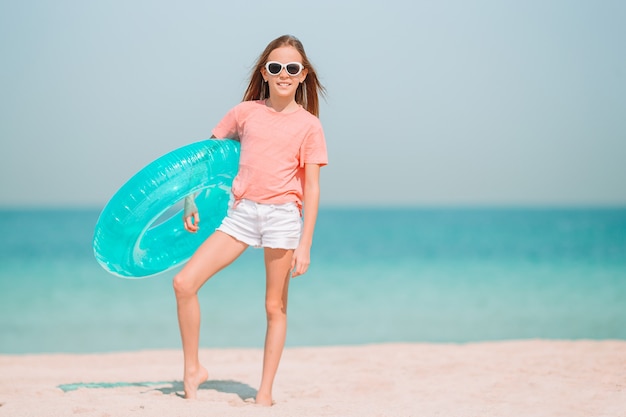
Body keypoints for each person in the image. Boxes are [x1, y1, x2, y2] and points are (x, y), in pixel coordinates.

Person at [172, 34, 328, 406]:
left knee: (274, 307)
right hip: (241, 214)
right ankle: (193, 368)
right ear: (265, 72)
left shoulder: (310, 126)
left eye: (292, 68)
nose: (284, 74)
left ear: (303, 74)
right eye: (276, 67)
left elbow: (313, 188)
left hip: (282, 219)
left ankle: (265, 393)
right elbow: (205, 156)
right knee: (183, 283)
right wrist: (190, 200)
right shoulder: (244, 113)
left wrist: (305, 243)